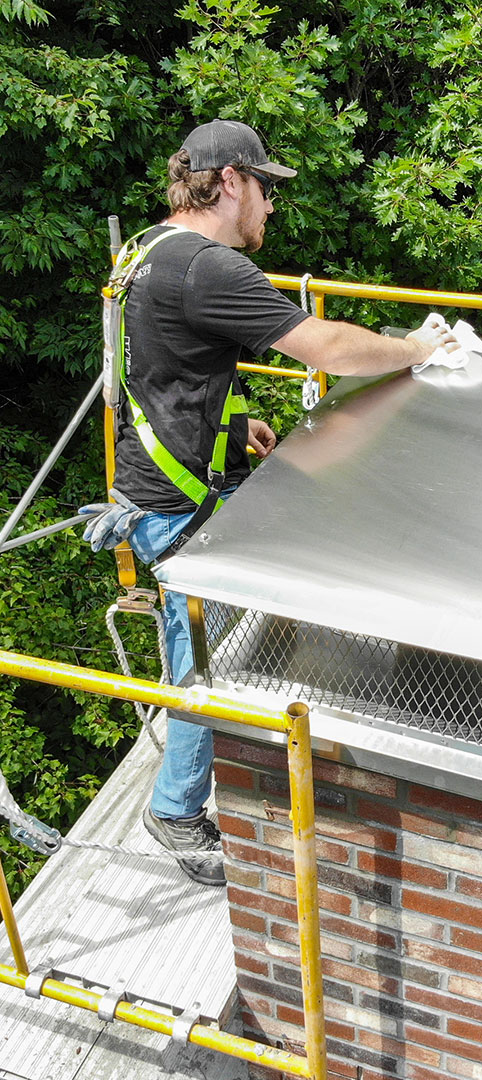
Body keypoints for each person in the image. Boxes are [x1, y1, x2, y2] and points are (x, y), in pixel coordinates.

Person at [84, 119, 458, 887]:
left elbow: (157, 370)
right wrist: (422, 350)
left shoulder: (145, 252)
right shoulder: (207, 266)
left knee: (198, 644)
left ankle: (195, 766)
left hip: (150, 482)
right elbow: (332, 349)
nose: (270, 208)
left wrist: (228, 425)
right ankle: (178, 811)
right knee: (203, 668)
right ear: (229, 182)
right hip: (174, 509)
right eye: (264, 188)